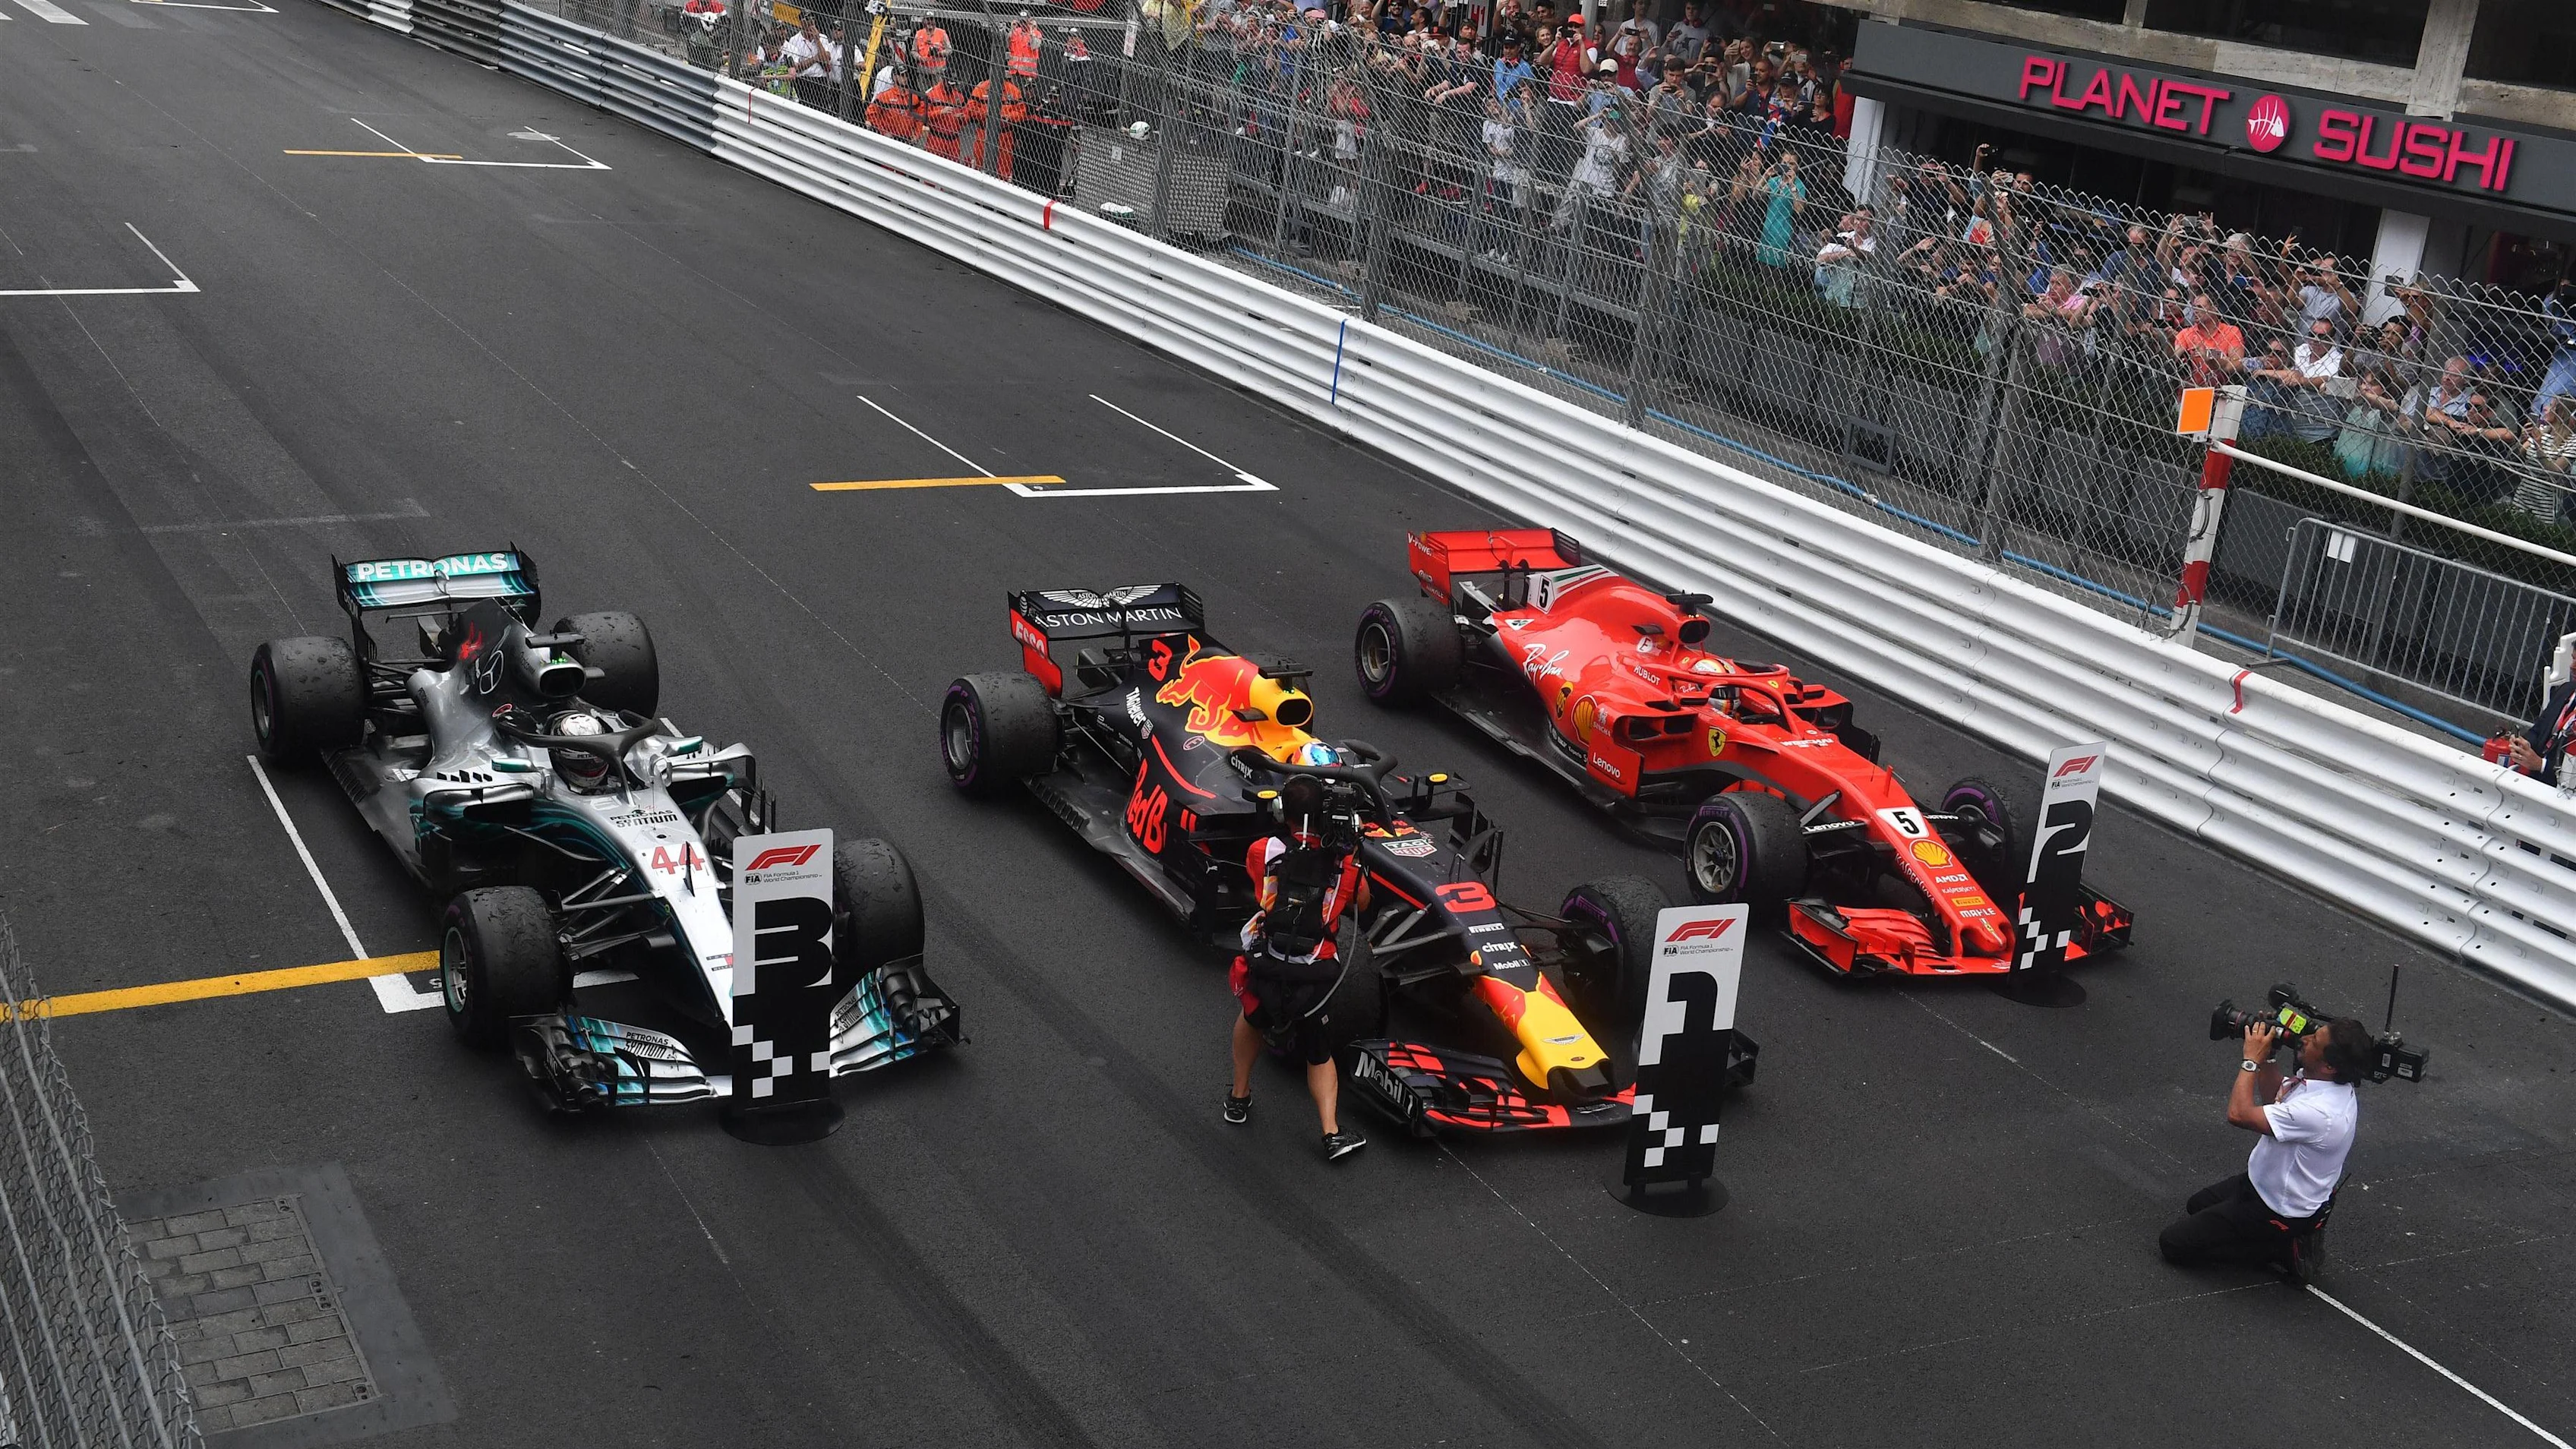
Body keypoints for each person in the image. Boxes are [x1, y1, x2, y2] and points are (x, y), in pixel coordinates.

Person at [1224, 773, 1371, 1161]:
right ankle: (1332, 1133)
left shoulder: (1262, 850)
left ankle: (1238, 1098)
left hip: (1268, 964)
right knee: (1319, 1052)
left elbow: (1259, 888)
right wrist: (1352, 853)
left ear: (1280, 811)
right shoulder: (1344, 859)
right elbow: (1363, 902)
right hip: (1316, 972)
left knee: (1252, 1017)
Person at [2158, 1015, 2370, 1280]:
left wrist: (2251, 1061)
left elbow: (2239, 1114)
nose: (2304, 1039)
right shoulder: (2325, 1085)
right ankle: (2279, 1236)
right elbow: (2276, 1100)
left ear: (2329, 1065)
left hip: (2277, 1209)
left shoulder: (2321, 1113)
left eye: (2314, 1040)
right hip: (2260, 1184)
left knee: (2174, 1245)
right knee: (2196, 1205)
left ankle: (2280, 1247)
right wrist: (2268, 1058)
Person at [2171, 292, 2245, 390]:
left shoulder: (2231, 331)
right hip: (2191, 390)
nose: (2195, 311)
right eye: (2194, 307)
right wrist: (2170, 343)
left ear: (2214, 308)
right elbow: (2173, 359)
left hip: (2222, 391)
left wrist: (2210, 354)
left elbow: (2237, 364)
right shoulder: (2185, 333)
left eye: (2200, 307)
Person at [1754, 147, 1804, 267]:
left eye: (1792, 164)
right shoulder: (1775, 181)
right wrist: (1766, 175)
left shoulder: (1799, 185)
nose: (1788, 167)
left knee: (1775, 270)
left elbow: (1799, 209)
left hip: (1783, 232)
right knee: (1763, 267)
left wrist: (1792, 186)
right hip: (1767, 228)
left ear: (1797, 167)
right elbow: (1756, 195)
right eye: (1785, 163)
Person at [968, 72, 1026, 176]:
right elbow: (971, 109)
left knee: (1004, 169)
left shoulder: (1013, 90)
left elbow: (1022, 112)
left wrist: (1008, 117)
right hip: (984, 131)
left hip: (1005, 135)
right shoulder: (981, 88)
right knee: (980, 164)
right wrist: (987, 115)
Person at [781, 13, 840, 111]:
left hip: (820, 80)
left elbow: (826, 59)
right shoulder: (795, 40)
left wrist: (817, 40)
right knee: (802, 109)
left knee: (822, 110)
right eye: (807, 21)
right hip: (803, 80)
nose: (811, 24)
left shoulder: (823, 38)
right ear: (802, 23)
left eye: (812, 21)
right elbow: (797, 67)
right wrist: (815, 58)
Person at [867, 65, 926, 143]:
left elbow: (919, 118)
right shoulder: (886, 96)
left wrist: (916, 135)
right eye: (902, 75)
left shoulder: (914, 98)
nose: (905, 78)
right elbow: (871, 113)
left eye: (906, 75)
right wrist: (883, 131)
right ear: (894, 77)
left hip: (906, 140)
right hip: (888, 139)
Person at [921, 71, 971, 161]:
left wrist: (963, 117)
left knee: (953, 167)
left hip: (954, 141)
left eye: (953, 85)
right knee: (933, 165)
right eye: (950, 85)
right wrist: (940, 112)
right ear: (943, 80)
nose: (952, 87)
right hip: (936, 139)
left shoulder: (959, 96)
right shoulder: (932, 94)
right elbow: (923, 115)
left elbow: (967, 115)